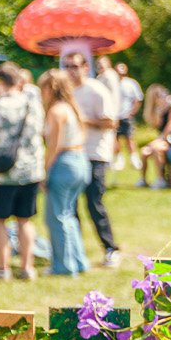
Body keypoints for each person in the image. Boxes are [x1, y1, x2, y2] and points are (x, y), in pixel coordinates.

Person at [0, 64, 44, 281]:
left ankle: (2, 268)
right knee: (25, 220)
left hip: (1, 173)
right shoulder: (33, 106)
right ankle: (27, 267)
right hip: (30, 171)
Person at [63, 52, 121, 269]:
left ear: (86, 68)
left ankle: (110, 249)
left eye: (75, 66)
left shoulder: (96, 90)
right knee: (71, 206)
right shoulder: (67, 91)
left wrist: (83, 120)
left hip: (95, 154)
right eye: (67, 66)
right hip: (73, 154)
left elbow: (111, 122)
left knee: (94, 203)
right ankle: (75, 251)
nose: (71, 71)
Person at [42, 69, 90, 276]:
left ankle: (63, 266)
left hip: (64, 163)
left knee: (56, 217)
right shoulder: (71, 107)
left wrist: (45, 171)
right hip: (80, 161)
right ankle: (78, 261)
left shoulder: (56, 111)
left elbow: (54, 145)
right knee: (68, 214)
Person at [139, 85, 171, 190]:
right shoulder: (159, 111)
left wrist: (159, 140)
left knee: (156, 149)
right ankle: (143, 179)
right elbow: (156, 125)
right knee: (144, 152)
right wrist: (158, 112)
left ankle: (161, 179)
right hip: (164, 139)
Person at [112, 62, 144, 173]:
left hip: (126, 115)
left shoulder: (131, 83)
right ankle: (119, 159)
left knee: (129, 137)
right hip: (114, 116)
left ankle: (133, 158)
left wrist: (132, 113)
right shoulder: (112, 83)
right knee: (115, 138)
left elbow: (138, 99)